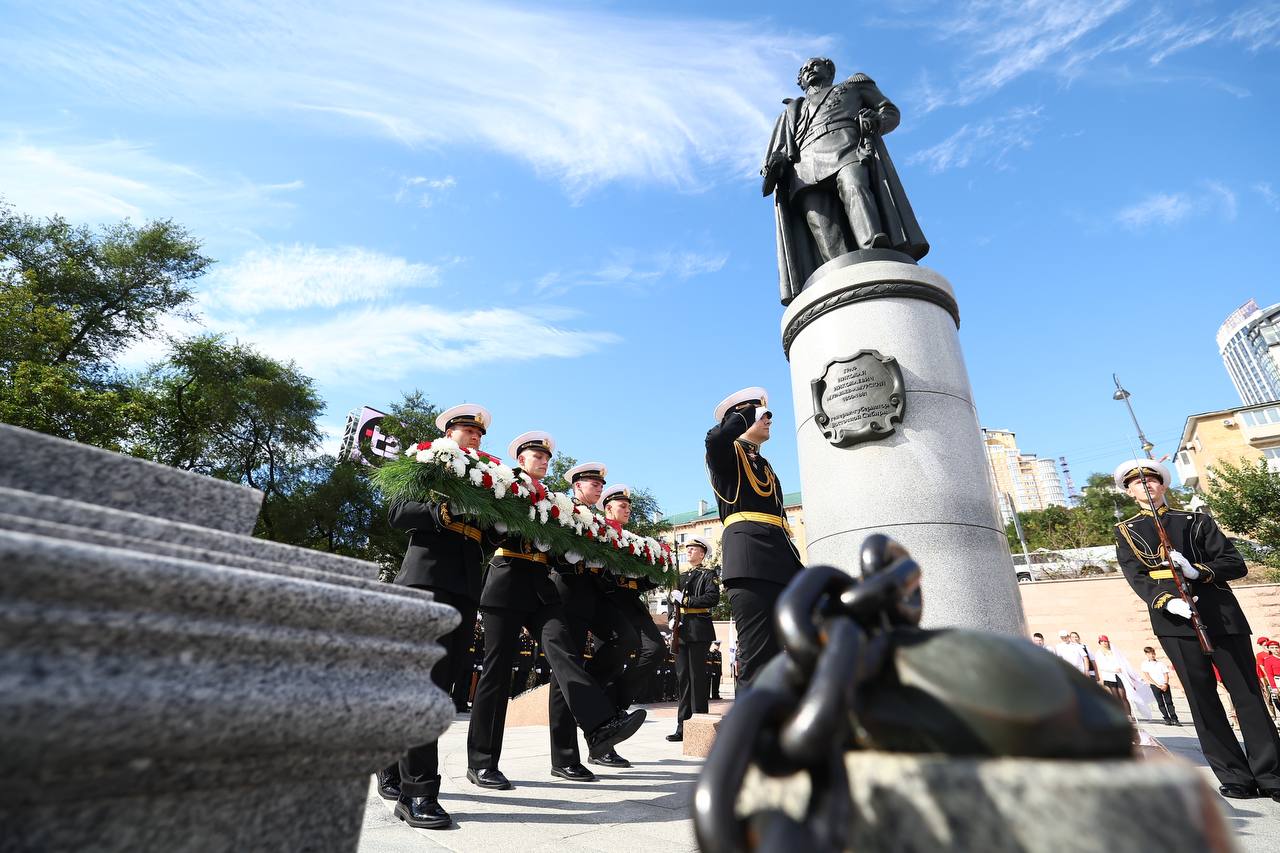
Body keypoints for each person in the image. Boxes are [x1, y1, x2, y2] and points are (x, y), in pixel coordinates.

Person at [465, 432, 644, 791]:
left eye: (547, 457)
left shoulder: (553, 498)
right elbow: (487, 528)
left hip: (541, 586)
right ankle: (482, 762)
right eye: (537, 455)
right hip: (507, 579)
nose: (544, 461)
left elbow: (560, 548)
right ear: (520, 458)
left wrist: (567, 552)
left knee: (565, 655)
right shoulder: (501, 482)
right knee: (497, 672)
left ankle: (598, 724)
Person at [1113, 458, 1280, 800]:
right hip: (1174, 621)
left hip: (1220, 615)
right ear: (1129, 492)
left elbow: (1235, 564)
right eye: (1135, 483)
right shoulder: (1126, 531)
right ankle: (1234, 775)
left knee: (1247, 694)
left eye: (1151, 479)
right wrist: (1165, 600)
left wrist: (1196, 571)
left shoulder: (1196, 521)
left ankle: (1272, 774)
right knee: (1202, 700)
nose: (1144, 485)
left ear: (1163, 485)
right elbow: (1137, 577)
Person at [379, 403, 492, 829]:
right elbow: (397, 513)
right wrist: (443, 512)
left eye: (479, 434)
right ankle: (418, 793)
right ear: (447, 433)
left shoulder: (486, 480)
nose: (475, 438)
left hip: (465, 588)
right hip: (424, 581)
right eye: (467, 430)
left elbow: (494, 532)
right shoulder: (425, 463)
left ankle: (391, 760)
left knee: (438, 687)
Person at [761, 57, 928, 305]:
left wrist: (877, 121)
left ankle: (872, 244)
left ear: (829, 70)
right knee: (820, 222)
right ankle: (839, 271)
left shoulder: (854, 86)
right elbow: (776, 157)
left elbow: (889, 110)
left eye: (815, 64)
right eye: (804, 69)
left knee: (854, 187)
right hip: (805, 166)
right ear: (800, 81)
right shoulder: (790, 111)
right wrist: (776, 164)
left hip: (847, 147)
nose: (809, 69)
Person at [705, 387, 804, 687]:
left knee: (783, 653)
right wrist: (745, 412)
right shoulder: (727, 456)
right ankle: (750, 729)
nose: (769, 419)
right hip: (750, 559)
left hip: (781, 558)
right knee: (758, 654)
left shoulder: (764, 464)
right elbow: (715, 439)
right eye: (762, 414)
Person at [547, 463, 637, 778]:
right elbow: (554, 548)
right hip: (568, 590)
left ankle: (591, 696)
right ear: (577, 486)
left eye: (601, 484)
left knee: (625, 637)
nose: (599, 488)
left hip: (594, 594)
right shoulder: (563, 507)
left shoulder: (600, 520)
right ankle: (565, 758)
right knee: (563, 676)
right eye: (593, 483)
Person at [591, 483, 666, 767]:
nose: (628, 511)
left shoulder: (634, 538)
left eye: (629, 507)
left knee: (656, 649)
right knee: (613, 662)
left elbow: (641, 575)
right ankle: (603, 743)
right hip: (607, 600)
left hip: (630, 600)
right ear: (608, 507)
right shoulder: (598, 529)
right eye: (623, 506)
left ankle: (614, 705)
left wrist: (653, 573)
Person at [666, 537, 722, 742]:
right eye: (687, 549)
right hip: (681, 630)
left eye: (693, 549)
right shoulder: (679, 577)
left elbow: (712, 598)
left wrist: (687, 600)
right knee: (682, 678)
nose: (688, 552)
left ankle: (699, 722)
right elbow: (671, 600)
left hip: (699, 629)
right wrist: (672, 617)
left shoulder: (708, 575)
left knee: (697, 677)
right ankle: (682, 726)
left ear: (702, 553)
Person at [1141, 646, 1181, 725]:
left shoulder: (1161, 664)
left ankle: (1174, 719)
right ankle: (1167, 719)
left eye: (1153, 653)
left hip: (1164, 685)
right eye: (1149, 654)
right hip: (1155, 686)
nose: (1152, 655)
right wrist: (1157, 685)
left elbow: (1166, 674)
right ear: (1146, 654)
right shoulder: (1144, 664)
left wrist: (1165, 684)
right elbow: (1147, 675)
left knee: (1169, 702)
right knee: (1160, 703)